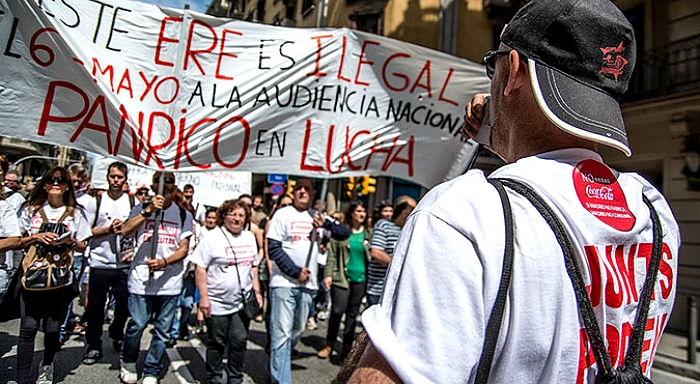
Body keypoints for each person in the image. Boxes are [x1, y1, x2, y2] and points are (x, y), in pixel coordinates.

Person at [341, 0, 680, 382]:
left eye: (494, 66)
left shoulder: (462, 215)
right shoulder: (654, 210)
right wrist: (503, 125)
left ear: (514, 69)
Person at [266, 178, 349, 384]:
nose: (302, 191)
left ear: (313, 193)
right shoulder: (282, 214)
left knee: (298, 328)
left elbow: (344, 233)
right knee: (282, 334)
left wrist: (326, 224)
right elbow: (273, 247)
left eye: (307, 189)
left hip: (308, 285)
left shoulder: (318, 216)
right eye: (299, 188)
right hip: (284, 283)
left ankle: (281, 355)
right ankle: (280, 379)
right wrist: (294, 272)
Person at [15, 166, 92, 384]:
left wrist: (69, 241)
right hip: (32, 277)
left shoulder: (76, 213)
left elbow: (82, 244)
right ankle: (21, 378)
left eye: (60, 180)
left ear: (67, 185)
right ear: (45, 184)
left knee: (52, 328)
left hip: (59, 280)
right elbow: (17, 239)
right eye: (51, 179)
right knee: (28, 328)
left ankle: (47, 365)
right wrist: (37, 237)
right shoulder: (30, 210)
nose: (55, 183)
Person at [119, 171, 193, 384]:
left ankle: (152, 368)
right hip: (141, 279)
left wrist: (164, 262)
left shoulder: (182, 215)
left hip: (169, 282)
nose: (165, 185)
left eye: (169, 181)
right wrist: (148, 210)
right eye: (160, 181)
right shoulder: (139, 208)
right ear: (153, 185)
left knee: (162, 330)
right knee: (138, 324)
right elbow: (125, 231)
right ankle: (129, 359)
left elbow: (184, 248)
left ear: (173, 185)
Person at [192, 199, 262, 384]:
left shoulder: (249, 237)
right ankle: (214, 378)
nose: (237, 219)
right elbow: (200, 267)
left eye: (241, 215)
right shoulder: (212, 238)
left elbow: (254, 266)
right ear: (224, 216)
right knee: (217, 343)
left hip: (242, 302)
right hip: (217, 303)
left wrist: (257, 291)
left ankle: (235, 379)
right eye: (233, 215)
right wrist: (203, 299)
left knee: (239, 341)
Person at [81, 162, 135, 365]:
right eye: (112, 176)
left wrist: (126, 229)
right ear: (107, 177)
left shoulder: (131, 201)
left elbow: (136, 229)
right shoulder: (96, 201)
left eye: (119, 177)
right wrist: (107, 230)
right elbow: (85, 231)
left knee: (123, 304)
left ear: (125, 179)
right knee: (96, 306)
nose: (115, 180)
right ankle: (93, 345)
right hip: (99, 263)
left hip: (123, 264)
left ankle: (116, 332)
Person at [317, 202, 370, 360]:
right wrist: (328, 274)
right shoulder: (342, 232)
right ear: (352, 213)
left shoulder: (368, 233)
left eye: (364, 211)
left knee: (352, 315)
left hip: (360, 279)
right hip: (341, 278)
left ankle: (347, 347)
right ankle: (329, 343)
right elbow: (332, 254)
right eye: (359, 211)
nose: (362, 214)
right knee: (337, 311)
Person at [365, 199, 416, 307]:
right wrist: (402, 267)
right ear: (404, 213)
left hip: (400, 292)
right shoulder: (384, 225)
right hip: (379, 289)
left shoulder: (410, 230)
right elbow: (376, 252)